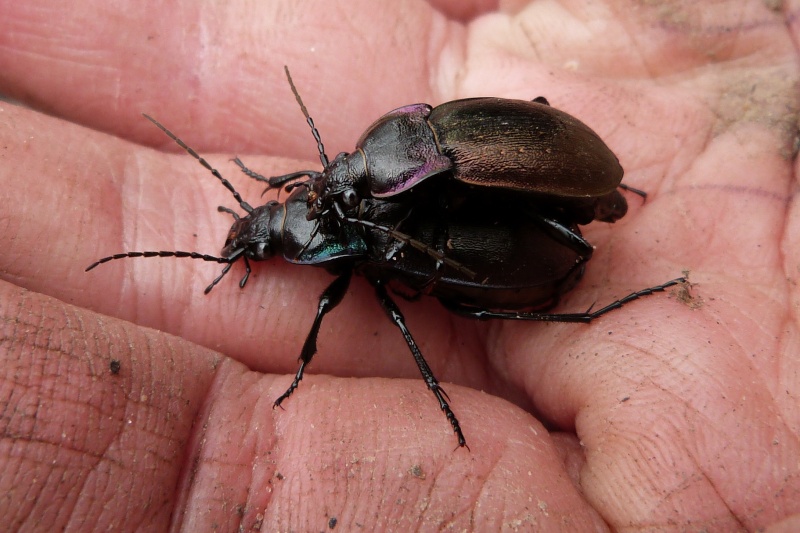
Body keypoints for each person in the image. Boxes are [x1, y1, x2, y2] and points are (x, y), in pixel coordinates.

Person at [1, 1, 798, 530]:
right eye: (334, 183)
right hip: (518, 202)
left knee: (521, 247)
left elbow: (520, 170)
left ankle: (589, 270)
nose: (335, 189)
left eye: (346, 183)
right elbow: (347, 192)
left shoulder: (432, 173)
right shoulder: (403, 162)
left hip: (572, 182)